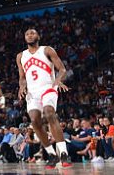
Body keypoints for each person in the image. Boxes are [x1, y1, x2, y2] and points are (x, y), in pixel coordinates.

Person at [17, 28, 71, 169]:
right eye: (27, 33)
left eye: (33, 33)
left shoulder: (47, 50)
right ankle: (51, 154)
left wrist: (58, 80)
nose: (30, 35)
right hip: (32, 92)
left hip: (49, 87)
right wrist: (22, 87)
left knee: (49, 113)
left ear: (38, 36)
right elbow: (22, 78)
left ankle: (64, 153)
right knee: (34, 120)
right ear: (24, 38)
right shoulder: (20, 56)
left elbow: (62, 69)